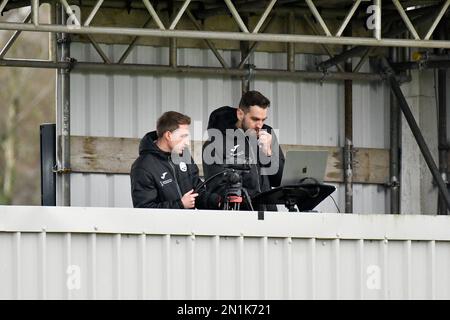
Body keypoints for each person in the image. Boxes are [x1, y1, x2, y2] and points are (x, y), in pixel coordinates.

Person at [202, 90, 285, 211]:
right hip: (237, 217)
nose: (260, 125)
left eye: (263, 120)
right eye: (255, 119)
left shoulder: (266, 135)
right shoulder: (216, 143)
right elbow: (215, 189)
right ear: (240, 114)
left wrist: (268, 154)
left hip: (268, 216)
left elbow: (279, 181)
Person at [131, 111, 221, 209]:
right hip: (164, 224)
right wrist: (180, 204)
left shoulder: (184, 155)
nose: (187, 142)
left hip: (189, 223)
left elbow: (197, 192)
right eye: (183, 136)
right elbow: (144, 209)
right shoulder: (143, 166)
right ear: (169, 135)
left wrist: (218, 201)